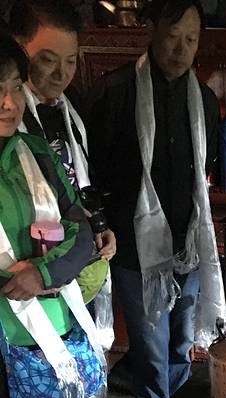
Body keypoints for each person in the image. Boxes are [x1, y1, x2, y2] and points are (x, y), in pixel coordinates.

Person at [0, 33, 109, 398]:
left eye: (13, 87)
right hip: (2, 329)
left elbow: (80, 233)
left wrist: (41, 274)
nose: (8, 102)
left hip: (45, 322)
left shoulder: (34, 151)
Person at [87, 0, 225, 398]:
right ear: (153, 32)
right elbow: (93, 170)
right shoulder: (116, 91)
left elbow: (206, 171)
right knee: (150, 350)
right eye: (173, 37)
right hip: (135, 248)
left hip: (188, 244)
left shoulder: (204, 99)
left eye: (191, 39)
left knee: (181, 344)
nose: (181, 50)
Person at [10, 0, 116, 350]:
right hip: (31, 281)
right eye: (47, 60)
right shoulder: (11, 126)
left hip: (74, 265)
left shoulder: (71, 108)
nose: (61, 74)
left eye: (70, 61)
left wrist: (100, 225)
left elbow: (79, 182)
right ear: (17, 50)